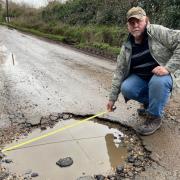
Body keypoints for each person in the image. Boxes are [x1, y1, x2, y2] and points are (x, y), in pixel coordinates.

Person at [107, 7, 180, 136]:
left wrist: (168, 68)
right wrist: (112, 99)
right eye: (132, 23)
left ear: (146, 21)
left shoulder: (156, 32)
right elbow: (119, 72)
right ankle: (151, 104)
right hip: (143, 79)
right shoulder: (127, 47)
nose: (135, 25)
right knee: (127, 87)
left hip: (164, 77)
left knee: (158, 82)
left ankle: (154, 117)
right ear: (128, 26)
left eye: (139, 21)